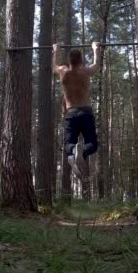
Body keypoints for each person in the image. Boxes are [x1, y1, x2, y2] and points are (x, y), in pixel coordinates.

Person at [53, 42, 102, 179]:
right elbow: (97, 65)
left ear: (69, 60)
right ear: (81, 60)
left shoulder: (63, 72)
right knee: (92, 144)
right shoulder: (85, 72)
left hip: (71, 113)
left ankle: (73, 153)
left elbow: (54, 67)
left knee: (69, 144)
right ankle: (83, 152)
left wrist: (56, 50)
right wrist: (95, 49)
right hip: (86, 112)